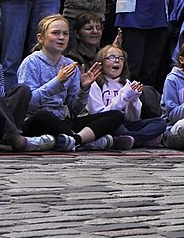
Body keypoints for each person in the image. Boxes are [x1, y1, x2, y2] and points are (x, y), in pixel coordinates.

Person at [17, 14, 118, 150]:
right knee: (44, 116)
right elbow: (29, 102)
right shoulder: (31, 62)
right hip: (36, 120)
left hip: (62, 121)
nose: (61, 37)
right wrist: (57, 82)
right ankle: (85, 141)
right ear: (41, 38)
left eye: (65, 34)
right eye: (55, 33)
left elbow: (75, 109)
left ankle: (75, 140)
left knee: (116, 115)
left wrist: (84, 88)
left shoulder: (70, 64)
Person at [87, 44, 163, 148]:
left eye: (120, 58)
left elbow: (133, 118)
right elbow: (99, 116)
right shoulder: (95, 84)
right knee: (119, 128)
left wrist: (134, 99)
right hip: (106, 126)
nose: (117, 61)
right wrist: (124, 97)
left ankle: (129, 140)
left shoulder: (126, 83)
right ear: (101, 62)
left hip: (127, 125)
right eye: (111, 58)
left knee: (160, 122)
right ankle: (140, 139)